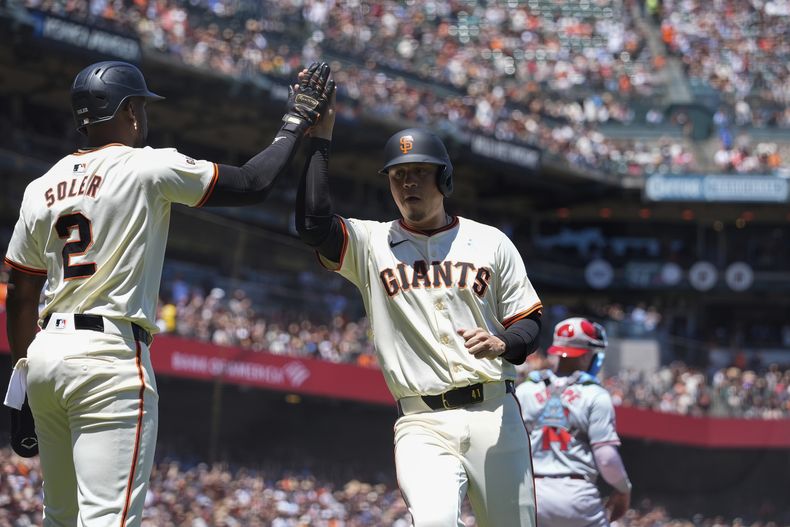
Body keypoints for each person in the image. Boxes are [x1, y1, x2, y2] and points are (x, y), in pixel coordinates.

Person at [3, 60, 333, 526]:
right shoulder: (147, 165)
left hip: (45, 358)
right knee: (107, 520)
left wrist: (22, 383)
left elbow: (19, 296)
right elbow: (254, 182)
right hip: (108, 356)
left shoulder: (41, 188)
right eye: (140, 106)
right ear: (130, 110)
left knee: (59, 518)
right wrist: (294, 123)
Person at [296, 89, 543, 526]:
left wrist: (502, 343)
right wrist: (320, 139)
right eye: (398, 175)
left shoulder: (490, 241)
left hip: (494, 413)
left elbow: (530, 324)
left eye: (419, 173)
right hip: (421, 421)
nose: (407, 183)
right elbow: (313, 224)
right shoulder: (371, 243)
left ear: (444, 180)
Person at [515, 317, 632, 527]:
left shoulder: (525, 390)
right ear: (587, 354)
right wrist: (623, 489)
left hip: (529, 493)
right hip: (576, 495)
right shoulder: (595, 394)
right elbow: (606, 458)